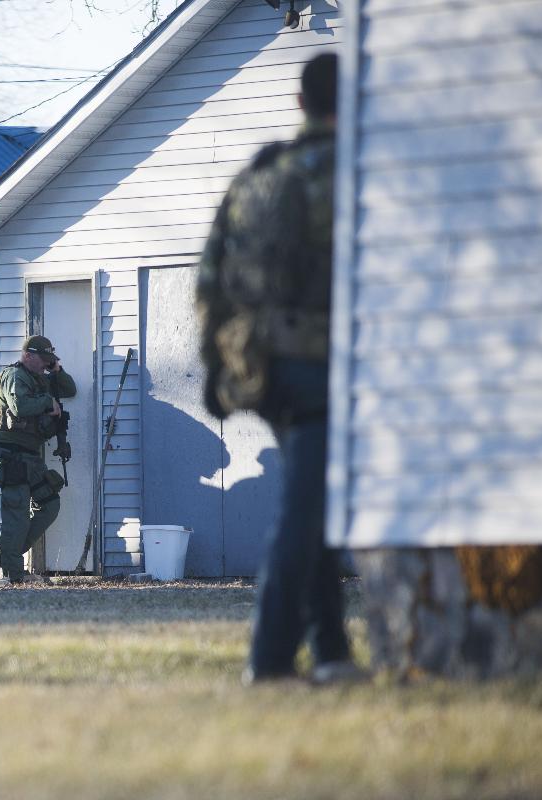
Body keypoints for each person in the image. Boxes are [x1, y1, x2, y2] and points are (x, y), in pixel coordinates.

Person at [197, 53, 358, 683]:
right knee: (302, 513)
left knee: (310, 501)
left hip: (266, 372)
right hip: (328, 366)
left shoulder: (259, 176)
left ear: (300, 104)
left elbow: (210, 282)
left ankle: (333, 654)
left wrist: (218, 372)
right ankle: (268, 661)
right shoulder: (357, 174)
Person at [0, 335, 77, 584]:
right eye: (42, 359)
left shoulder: (39, 379)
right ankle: (15, 574)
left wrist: (56, 370)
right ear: (28, 355)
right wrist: (47, 402)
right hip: (11, 455)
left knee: (49, 505)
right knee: (17, 514)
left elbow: (69, 389)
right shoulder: (14, 376)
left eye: (48, 360)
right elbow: (20, 407)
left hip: (30, 456)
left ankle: (6, 554)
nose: (45, 365)